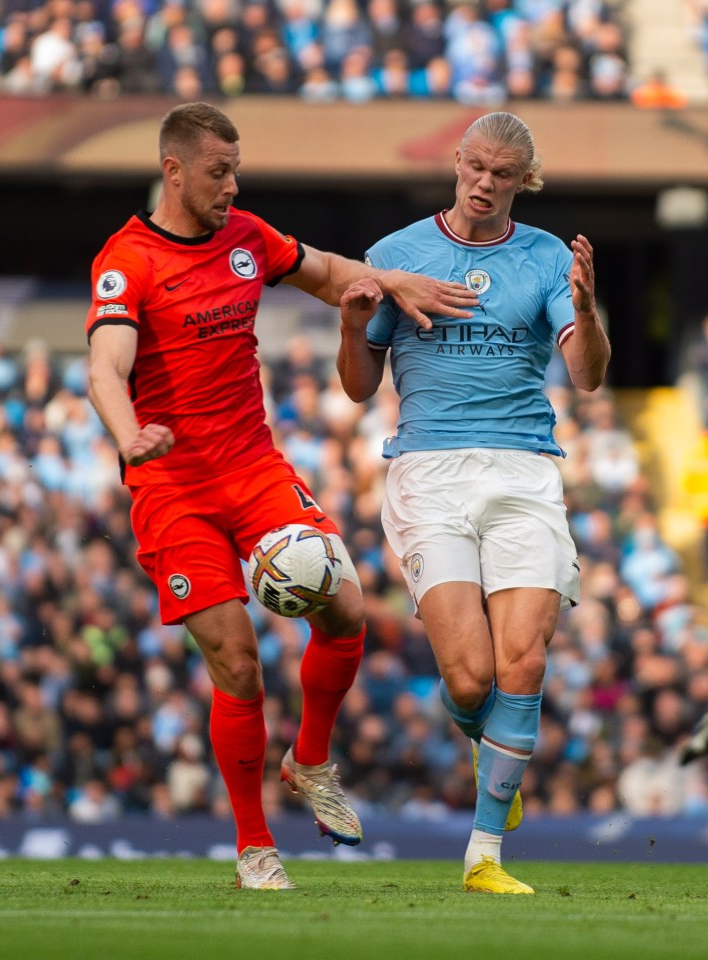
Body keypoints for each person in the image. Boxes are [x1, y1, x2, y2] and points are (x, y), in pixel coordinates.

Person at [85, 101, 468, 891]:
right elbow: (104, 367)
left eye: (236, 170)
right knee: (237, 662)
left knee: (347, 610)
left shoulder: (247, 237)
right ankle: (255, 846)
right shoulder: (126, 261)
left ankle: (312, 759)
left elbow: (327, 273)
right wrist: (128, 436)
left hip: (254, 467)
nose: (231, 185)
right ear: (174, 170)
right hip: (172, 486)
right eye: (218, 172)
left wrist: (389, 285)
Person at [336, 111, 611, 895]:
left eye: (503, 175)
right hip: (428, 469)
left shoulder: (546, 257)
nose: (485, 184)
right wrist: (355, 327)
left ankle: (483, 854)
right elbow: (357, 387)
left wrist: (584, 310)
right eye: (476, 168)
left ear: (525, 182)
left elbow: (586, 376)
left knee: (522, 660)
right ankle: (491, 748)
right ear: (456, 162)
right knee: (467, 681)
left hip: (524, 468)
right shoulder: (396, 256)